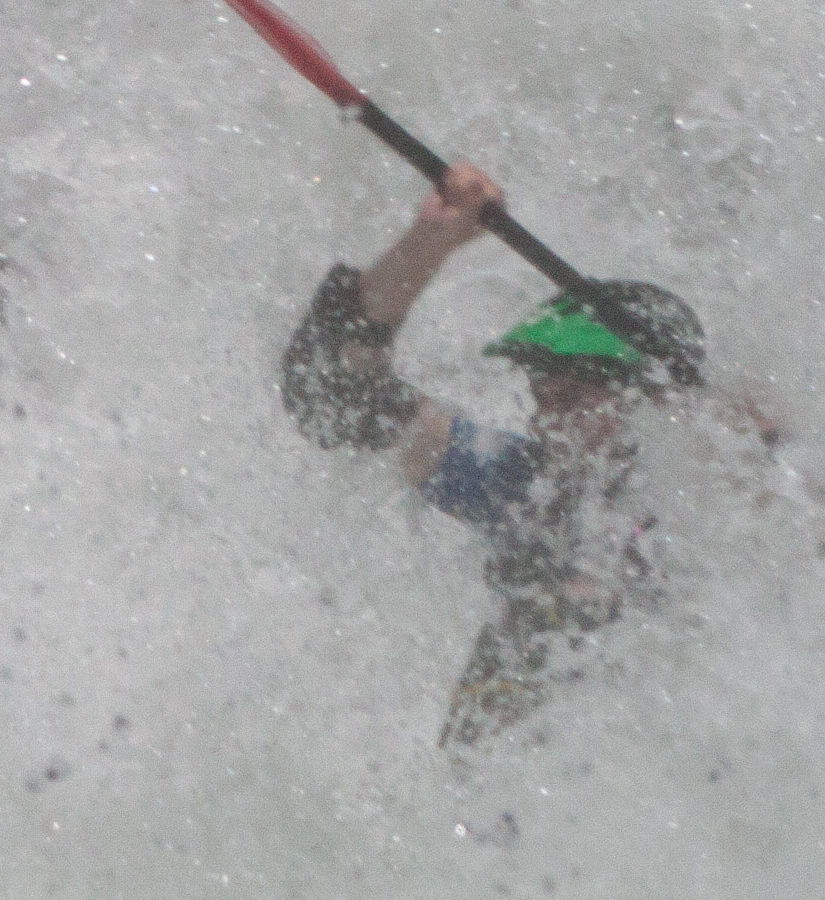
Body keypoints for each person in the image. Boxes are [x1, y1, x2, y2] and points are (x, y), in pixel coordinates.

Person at [277, 163, 766, 745]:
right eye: (541, 398)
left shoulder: (734, 522)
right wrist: (427, 246)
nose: (544, 422)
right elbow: (333, 392)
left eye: (574, 399)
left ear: (658, 403)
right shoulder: (520, 487)